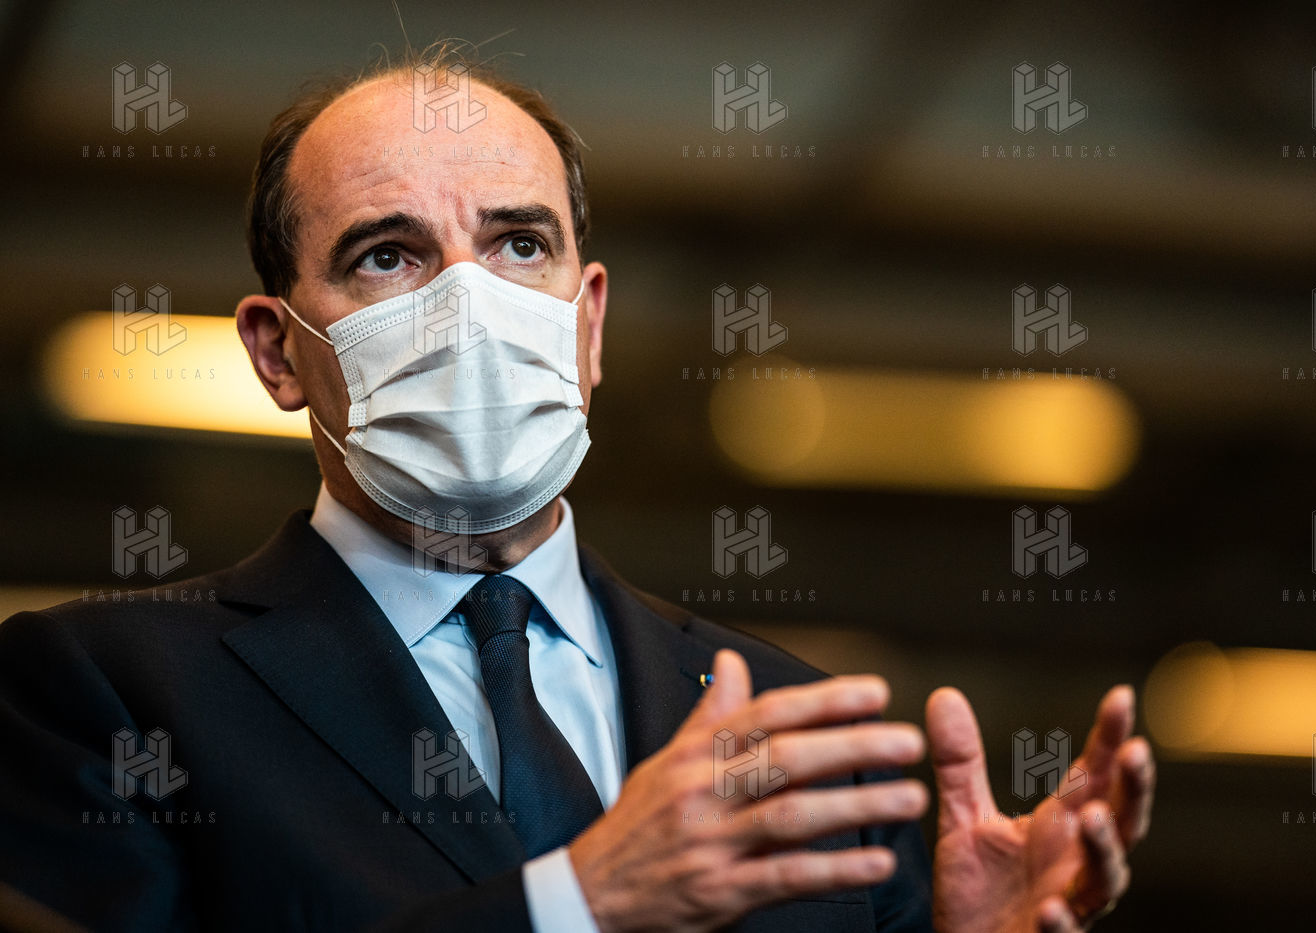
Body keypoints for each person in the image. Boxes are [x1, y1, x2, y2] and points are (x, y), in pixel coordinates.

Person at [0, 47, 1154, 932]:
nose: (470, 307)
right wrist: (577, 904)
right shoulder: (104, 692)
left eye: (518, 245)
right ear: (277, 351)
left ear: (587, 322)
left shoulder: (803, 734)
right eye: (387, 255)